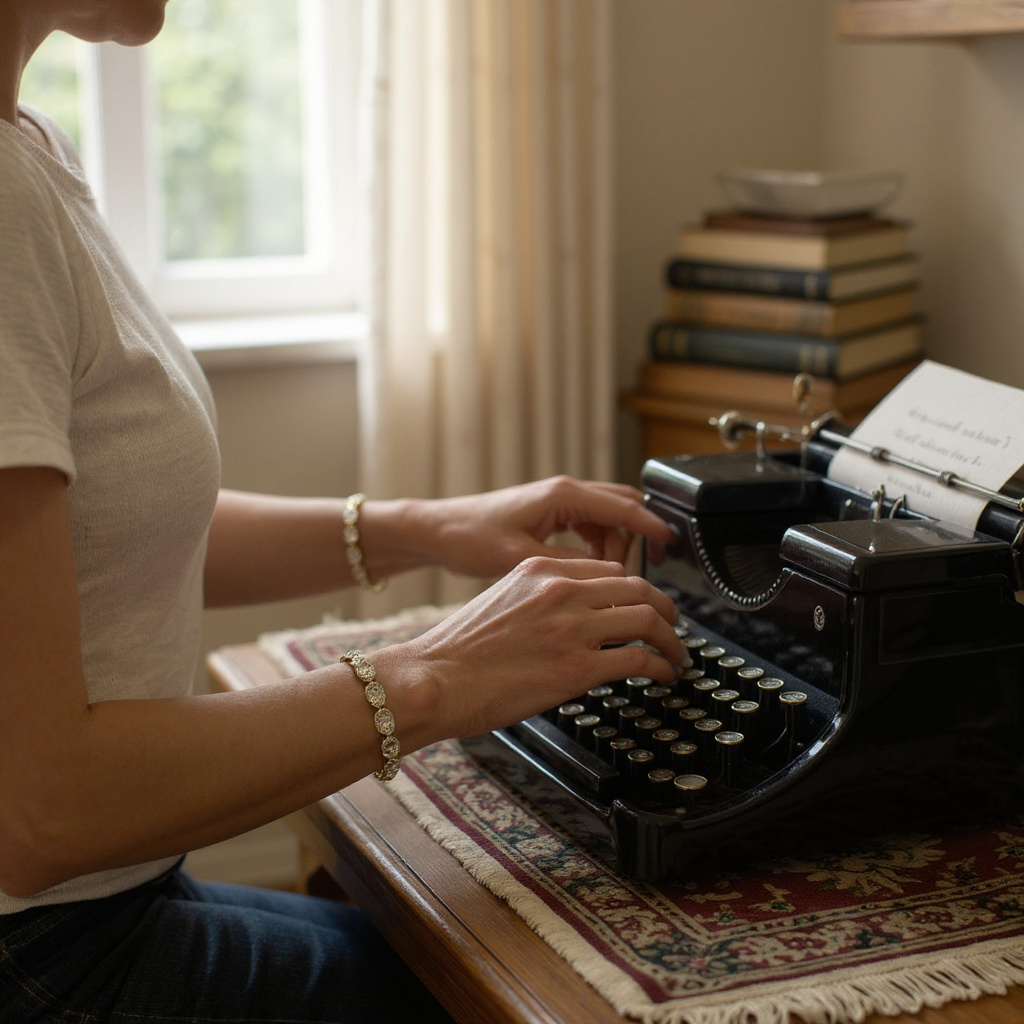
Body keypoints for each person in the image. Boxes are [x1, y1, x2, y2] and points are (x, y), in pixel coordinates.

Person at [0, 2, 687, 1022]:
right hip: (46, 949)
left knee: (445, 942)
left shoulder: (28, 143)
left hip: (93, 906)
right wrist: (439, 672)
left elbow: (96, 532)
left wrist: (422, 525)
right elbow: (45, 806)